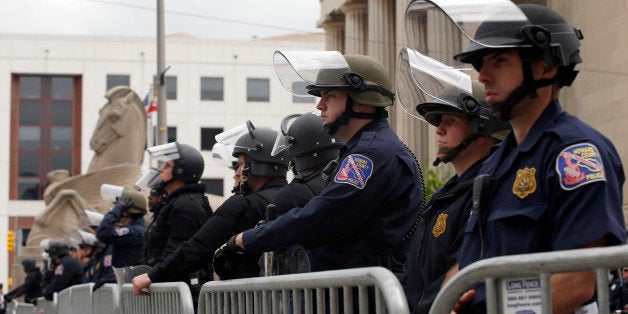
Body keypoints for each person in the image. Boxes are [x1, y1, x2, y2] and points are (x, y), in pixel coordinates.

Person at [406, 2, 626, 313]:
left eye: (499, 60)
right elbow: (468, 264)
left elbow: (578, 278)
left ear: (545, 67)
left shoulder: (576, 154)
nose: (483, 75)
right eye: (481, 63)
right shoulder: (499, 161)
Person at [216, 52, 424, 274]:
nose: (320, 106)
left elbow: (320, 217)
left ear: (362, 103)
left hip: (366, 295)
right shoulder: (367, 148)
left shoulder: (368, 154)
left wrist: (244, 240)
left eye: (330, 96)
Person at [396, 46, 511, 314]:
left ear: (483, 128)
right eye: (439, 121)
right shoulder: (446, 197)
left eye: (450, 120)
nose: (439, 129)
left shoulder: (486, 191)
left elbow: (462, 272)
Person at [131, 123, 289, 295]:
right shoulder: (296, 197)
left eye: (241, 164)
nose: (237, 172)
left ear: (256, 164)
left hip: (246, 300)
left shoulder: (242, 204)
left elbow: (199, 246)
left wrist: (153, 275)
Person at [214, 112, 342, 277]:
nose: (237, 173)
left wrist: (239, 243)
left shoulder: (294, 193)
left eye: (241, 165)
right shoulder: (342, 182)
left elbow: (276, 253)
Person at [140, 141, 213, 294]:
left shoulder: (186, 206)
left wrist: (148, 274)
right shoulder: (178, 202)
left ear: (181, 170)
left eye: (166, 165)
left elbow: (176, 253)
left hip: (185, 292)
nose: (160, 169)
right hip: (175, 290)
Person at [96, 187, 148, 268]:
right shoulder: (136, 229)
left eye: (119, 208)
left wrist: (116, 210)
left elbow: (103, 232)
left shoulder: (135, 231)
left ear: (126, 213)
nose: (116, 210)